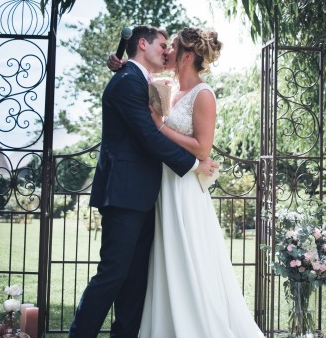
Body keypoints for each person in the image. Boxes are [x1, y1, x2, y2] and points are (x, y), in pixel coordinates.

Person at [109, 28, 265, 338]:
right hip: (162, 186)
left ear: (187, 56)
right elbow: (136, 83)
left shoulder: (203, 94)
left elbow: (202, 148)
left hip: (184, 190)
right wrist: (121, 65)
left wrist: (160, 127)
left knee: (188, 259)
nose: (166, 52)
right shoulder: (167, 89)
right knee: (164, 262)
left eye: (173, 47)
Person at [68, 25, 218, 338]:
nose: (166, 51)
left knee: (135, 282)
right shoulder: (127, 82)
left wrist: (119, 61)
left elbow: (160, 125)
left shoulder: (141, 80)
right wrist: (193, 164)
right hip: (124, 196)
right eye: (163, 45)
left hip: (147, 197)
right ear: (142, 44)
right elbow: (149, 134)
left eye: (170, 46)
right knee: (112, 276)